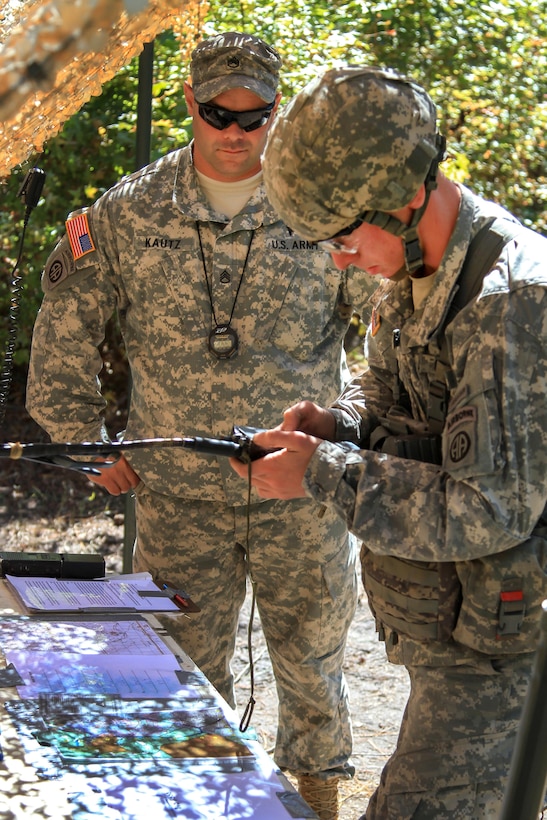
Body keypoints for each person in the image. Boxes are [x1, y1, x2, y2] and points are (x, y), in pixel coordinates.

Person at [26, 32, 377, 819]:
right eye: (219, 113)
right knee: (180, 675)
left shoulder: (323, 209)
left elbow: (388, 338)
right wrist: (87, 447)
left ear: (276, 114)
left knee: (314, 668)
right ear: (190, 103)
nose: (235, 132)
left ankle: (319, 802)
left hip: (302, 492)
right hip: (178, 497)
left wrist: (348, 429)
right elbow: (63, 330)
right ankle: (201, 806)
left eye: (254, 118)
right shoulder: (130, 210)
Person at [231, 65, 547, 818]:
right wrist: (334, 422)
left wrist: (323, 474)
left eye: (344, 234)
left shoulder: (509, 303)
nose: (340, 258)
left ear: (405, 195)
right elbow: (389, 389)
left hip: (505, 651)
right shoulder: (412, 270)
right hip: (456, 625)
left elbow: (487, 510)